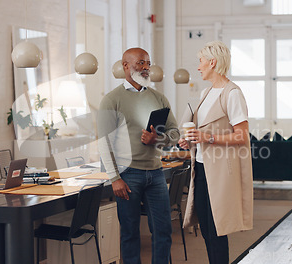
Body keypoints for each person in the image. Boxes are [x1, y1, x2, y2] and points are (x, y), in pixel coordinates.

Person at [98, 48, 180, 264]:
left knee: (163, 231)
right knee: (130, 233)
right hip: (127, 175)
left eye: (148, 63)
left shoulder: (159, 98)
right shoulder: (111, 100)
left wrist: (157, 140)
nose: (145, 67)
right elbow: (104, 142)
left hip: (156, 174)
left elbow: (175, 133)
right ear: (125, 65)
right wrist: (114, 178)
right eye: (140, 63)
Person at [178, 40, 253, 263]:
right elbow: (202, 131)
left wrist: (207, 138)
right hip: (200, 169)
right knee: (206, 229)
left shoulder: (233, 93)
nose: (199, 67)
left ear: (213, 62)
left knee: (218, 229)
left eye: (201, 61)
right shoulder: (205, 92)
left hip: (220, 173)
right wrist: (190, 141)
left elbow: (242, 136)